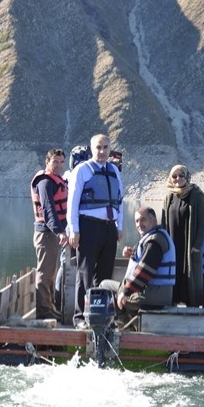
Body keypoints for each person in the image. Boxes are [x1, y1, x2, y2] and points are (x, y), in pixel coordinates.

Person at [67, 134, 123, 328]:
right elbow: (72, 202)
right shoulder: (82, 170)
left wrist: (120, 227)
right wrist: (74, 230)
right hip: (88, 227)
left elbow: (120, 201)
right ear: (92, 149)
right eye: (98, 147)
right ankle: (80, 317)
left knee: (105, 275)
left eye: (106, 147)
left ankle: (103, 315)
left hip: (109, 229)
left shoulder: (114, 170)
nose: (102, 151)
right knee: (85, 273)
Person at [99, 206, 175, 328]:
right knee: (107, 285)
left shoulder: (154, 242)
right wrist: (132, 253)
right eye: (137, 221)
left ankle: (123, 327)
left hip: (153, 295)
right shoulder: (156, 237)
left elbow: (145, 271)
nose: (139, 224)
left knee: (104, 288)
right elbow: (145, 258)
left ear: (154, 221)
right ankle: (128, 325)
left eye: (143, 220)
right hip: (157, 293)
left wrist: (126, 291)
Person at [161, 164, 204, 307]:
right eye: (174, 176)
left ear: (187, 177)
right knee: (172, 272)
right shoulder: (169, 197)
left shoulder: (196, 195)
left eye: (181, 175)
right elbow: (163, 223)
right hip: (172, 244)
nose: (178, 179)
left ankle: (192, 306)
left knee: (190, 274)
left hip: (190, 244)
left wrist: (197, 246)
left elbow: (202, 224)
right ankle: (172, 302)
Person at [30, 148, 69, 319]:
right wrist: (60, 231)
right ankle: (43, 311)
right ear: (47, 162)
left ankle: (50, 307)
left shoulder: (57, 180)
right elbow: (48, 210)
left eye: (61, 162)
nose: (59, 165)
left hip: (52, 233)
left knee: (51, 271)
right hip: (46, 234)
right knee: (45, 272)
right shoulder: (45, 182)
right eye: (55, 162)